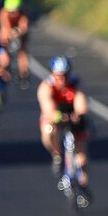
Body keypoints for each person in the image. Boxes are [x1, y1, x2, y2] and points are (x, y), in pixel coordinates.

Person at [37, 57, 91, 186]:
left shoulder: (76, 83)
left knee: (81, 153)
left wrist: (78, 115)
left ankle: (83, 185)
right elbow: (48, 110)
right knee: (48, 130)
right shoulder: (46, 86)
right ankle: (57, 155)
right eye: (58, 76)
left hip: (73, 115)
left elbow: (81, 104)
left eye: (65, 76)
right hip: (55, 116)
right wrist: (60, 117)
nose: (62, 80)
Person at [0, 0, 30, 87]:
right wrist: (9, 36)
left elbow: (24, 27)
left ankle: (23, 74)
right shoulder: (3, 13)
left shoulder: (23, 15)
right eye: (11, 12)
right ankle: (4, 65)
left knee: (23, 51)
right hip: (9, 31)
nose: (14, 14)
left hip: (18, 32)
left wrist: (19, 33)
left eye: (16, 11)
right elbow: (5, 27)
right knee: (3, 38)